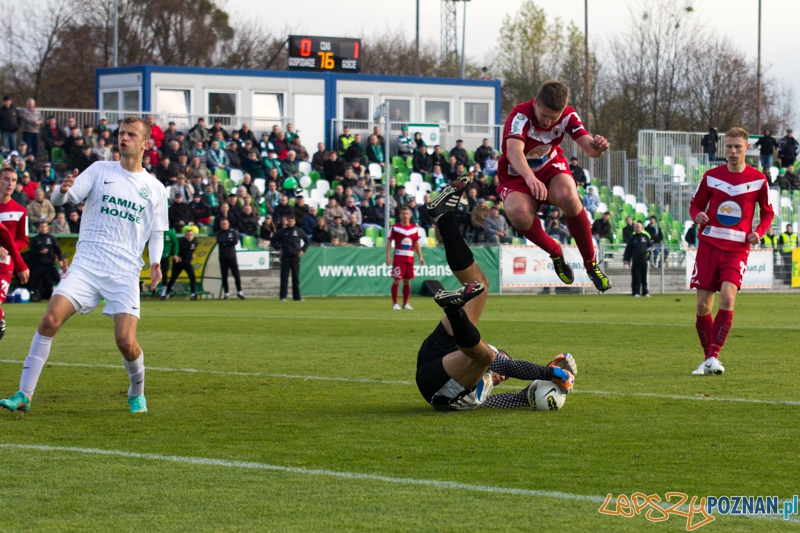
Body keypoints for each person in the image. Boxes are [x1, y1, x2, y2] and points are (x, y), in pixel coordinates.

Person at [0, 116, 168, 414]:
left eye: (130, 134)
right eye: (120, 133)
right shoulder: (101, 170)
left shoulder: (154, 188)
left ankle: (136, 391)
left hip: (124, 273)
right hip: (87, 266)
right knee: (49, 320)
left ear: (145, 144)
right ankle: (24, 394)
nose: (123, 138)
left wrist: (155, 262)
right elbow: (62, 198)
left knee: (126, 342)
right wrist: (63, 189)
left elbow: (157, 232)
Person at [415, 179, 575, 411]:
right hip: (441, 356)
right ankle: (444, 216)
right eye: (504, 372)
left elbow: (507, 400)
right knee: (480, 285)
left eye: (504, 378)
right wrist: (552, 371)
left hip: (438, 385)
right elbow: (504, 364)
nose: (502, 377)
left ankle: (454, 309)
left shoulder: (482, 387)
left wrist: (531, 394)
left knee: (484, 356)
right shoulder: (487, 362)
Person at [495, 80, 612, 292]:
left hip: (549, 167)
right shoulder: (520, 115)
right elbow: (513, 151)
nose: (548, 122)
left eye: (554, 118)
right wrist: (530, 178)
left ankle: (591, 264)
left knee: (569, 196)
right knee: (518, 214)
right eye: (544, 115)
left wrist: (599, 147)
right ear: (536, 104)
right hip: (517, 175)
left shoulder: (568, 115)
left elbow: (590, 150)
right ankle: (556, 252)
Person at [688, 127, 773, 376]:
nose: (733, 151)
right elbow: (695, 204)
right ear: (724, 147)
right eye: (729, 146)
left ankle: (714, 355)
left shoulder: (758, 179)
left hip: (737, 248)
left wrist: (760, 231)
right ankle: (707, 359)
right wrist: (697, 216)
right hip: (709, 244)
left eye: (738, 147)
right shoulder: (712, 176)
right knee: (703, 305)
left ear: (747, 148)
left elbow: (768, 212)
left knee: (727, 297)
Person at [0, 166, 30, 339]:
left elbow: (23, 240)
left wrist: (8, 248)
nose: (10, 183)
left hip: (5, 265)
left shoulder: (20, 211)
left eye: (13, 180)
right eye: (6, 179)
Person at [386, 206, 425, 310]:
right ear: (400, 215)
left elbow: (416, 243)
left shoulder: (414, 228)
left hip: (410, 258)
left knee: (407, 281)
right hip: (399, 258)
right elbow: (389, 241)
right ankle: (395, 303)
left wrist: (420, 256)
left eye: (407, 213)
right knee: (397, 281)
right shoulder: (395, 227)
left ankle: (406, 303)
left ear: (410, 215)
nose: (405, 215)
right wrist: (388, 256)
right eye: (403, 214)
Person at [271, 216, 309, 301]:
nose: (291, 222)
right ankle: (283, 296)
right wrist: (278, 248)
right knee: (284, 277)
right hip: (285, 257)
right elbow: (273, 241)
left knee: (295, 278)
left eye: (292, 221)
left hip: (295, 257)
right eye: (289, 221)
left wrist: (303, 250)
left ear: (295, 222)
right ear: (287, 222)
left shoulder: (299, 231)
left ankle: (297, 297)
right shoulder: (283, 231)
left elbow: (307, 240)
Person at [25, 221, 66, 300]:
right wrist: (40, 252)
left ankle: (62, 296)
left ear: (47, 228)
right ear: (39, 228)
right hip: (38, 264)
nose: (43, 228)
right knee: (31, 281)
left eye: (45, 227)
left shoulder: (51, 238)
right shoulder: (35, 239)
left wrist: (61, 259)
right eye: (42, 227)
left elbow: (58, 250)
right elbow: (31, 253)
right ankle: (32, 295)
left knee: (58, 280)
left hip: (49, 264)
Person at [161, 229, 198, 300]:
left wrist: (193, 253)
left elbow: (192, 249)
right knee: (173, 278)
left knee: (192, 276)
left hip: (187, 263)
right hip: (178, 263)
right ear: (185, 235)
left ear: (193, 236)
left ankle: (193, 294)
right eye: (188, 235)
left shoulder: (195, 242)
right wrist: (176, 255)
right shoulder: (180, 241)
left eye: (191, 235)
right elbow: (174, 248)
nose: (189, 236)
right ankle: (167, 293)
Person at [216, 218, 244, 300]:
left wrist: (225, 242)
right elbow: (219, 241)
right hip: (223, 257)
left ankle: (239, 292)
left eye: (225, 224)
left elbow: (235, 241)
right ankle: (226, 293)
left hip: (232, 257)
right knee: (224, 276)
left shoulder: (233, 232)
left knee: (236, 275)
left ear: (228, 224)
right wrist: (228, 241)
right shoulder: (219, 233)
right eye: (222, 224)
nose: (223, 225)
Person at [623, 222, 651, 297]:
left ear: (641, 228)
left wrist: (648, 257)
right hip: (635, 260)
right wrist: (626, 259)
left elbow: (650, 247)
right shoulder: (632, 238)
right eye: (636, 227)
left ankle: (645, 292)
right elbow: (628, 250)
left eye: (639, 227)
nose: (637, 228)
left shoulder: (645, 237)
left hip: (644, 260)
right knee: (636, 277)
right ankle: (635, 292)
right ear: (634, 228)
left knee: (644, 277)